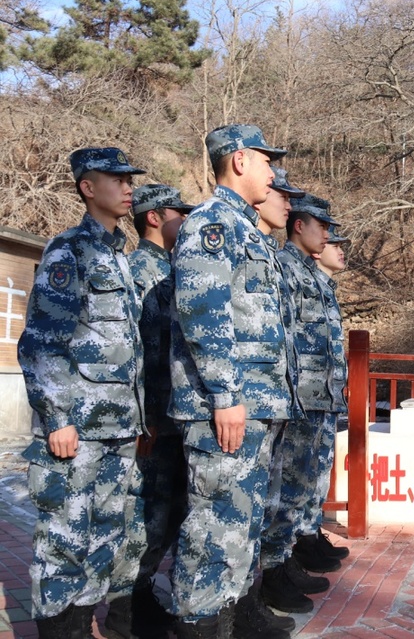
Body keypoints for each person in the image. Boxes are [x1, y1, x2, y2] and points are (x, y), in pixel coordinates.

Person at [168, 125, 292, 639]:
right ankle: (197, 625)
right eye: (266, 161)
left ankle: (224, 622)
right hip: (225, 406)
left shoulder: (243, 228)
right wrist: (227, 395)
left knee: (237, 527)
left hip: (253, 402)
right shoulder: (212, 224)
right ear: (240, 160)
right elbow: (203, 314)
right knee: (213, 529)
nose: (272, 172)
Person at [18, 147, 146, 638]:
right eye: (115, 179)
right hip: (78, 428)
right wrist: (57, 418)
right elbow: (42, 342)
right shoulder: (68, 251)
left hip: (116, 427)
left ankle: (81, 626)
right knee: (64, 540)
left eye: (129, 178)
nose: (127, 186)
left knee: (103, 540)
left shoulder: (120, 257)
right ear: (88, 188)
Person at [106, 185, 195, 639]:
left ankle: (143, 596)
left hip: (176, 418)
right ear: (156, 217)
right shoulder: (137, 270)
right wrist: (141, 419)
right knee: (144, 515)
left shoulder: (177, 269)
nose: (189, 220)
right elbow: (129, 354)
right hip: (151, 421)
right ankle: (125, 609)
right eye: (181, 212)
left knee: (172, 511)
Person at [260, 190, 350, 616]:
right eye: (323, 227)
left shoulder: (311, 275)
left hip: (317, 397)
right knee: (286, 486)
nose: (328, 235)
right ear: (300, 225)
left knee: (303, 483)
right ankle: (275, 570)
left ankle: (288, 559)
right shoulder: (285, 268)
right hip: (298, 398)